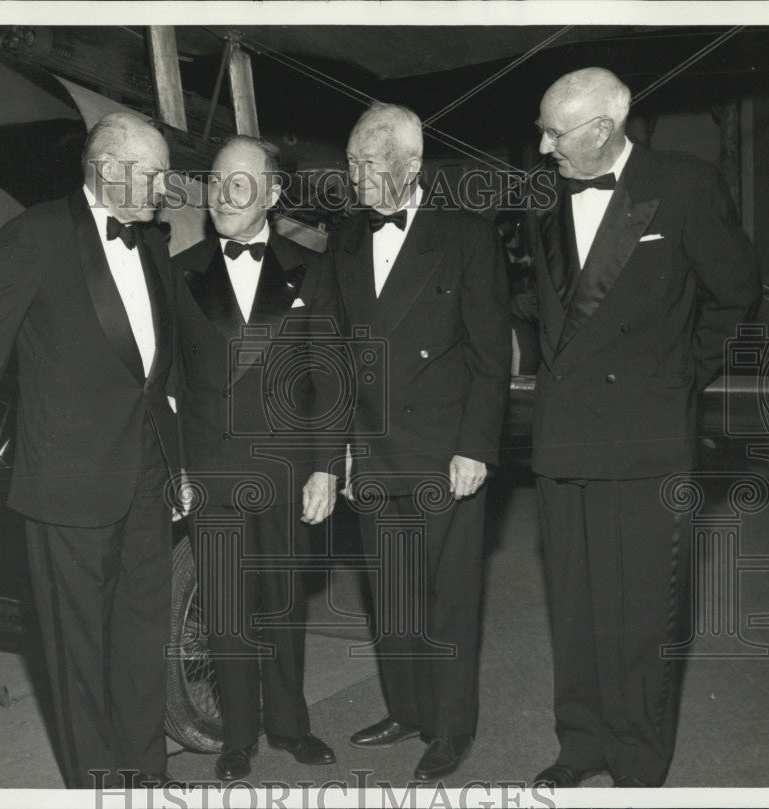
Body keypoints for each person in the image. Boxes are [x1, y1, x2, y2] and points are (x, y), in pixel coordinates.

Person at [521, 67, 761, 788]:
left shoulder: (683, 184)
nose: (541, 147)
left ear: (603, 129)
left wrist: (679, 377)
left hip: (643, 435)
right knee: (575, 605)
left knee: (639, 614)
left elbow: (736, 293)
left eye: (554, 133)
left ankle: (635, 758)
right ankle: (582, 741)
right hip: (563, 437)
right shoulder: (543, 197)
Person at [0, 112, 181, 788]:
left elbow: (160, 371)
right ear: (107, 169)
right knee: (78, 652)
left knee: (140, 638)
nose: (166, 186)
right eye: (154, 172)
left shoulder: (153, 243)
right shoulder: (36, 235)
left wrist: (180, 460)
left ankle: (149, 779)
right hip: (67, 482)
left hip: (148, 480)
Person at [332, 102, 511, 781]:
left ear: (412, 166)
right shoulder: (347, 237)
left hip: (444, 451)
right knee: (392, 593)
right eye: (350, 165)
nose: (356, 179)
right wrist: (344, 450)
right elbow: (341, 353)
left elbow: (493, 354)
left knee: (449, 598)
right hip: (375, 452)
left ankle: (450, 726)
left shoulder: (466, 235)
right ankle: (406, 708)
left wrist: (476, 445)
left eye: (370, 165)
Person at [171, 135, 342, 782]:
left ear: (272, 194)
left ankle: (291, 725)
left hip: (285, 470)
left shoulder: (312, 267)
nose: (223, 194)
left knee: (283, 602)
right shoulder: (181, 269)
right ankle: (238, 735)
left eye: (241, 183)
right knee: (224, 609)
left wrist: (328, 465)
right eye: (216, 182)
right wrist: (177, 467)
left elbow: (331, 376)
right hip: (211, 472)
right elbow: (172, 381)